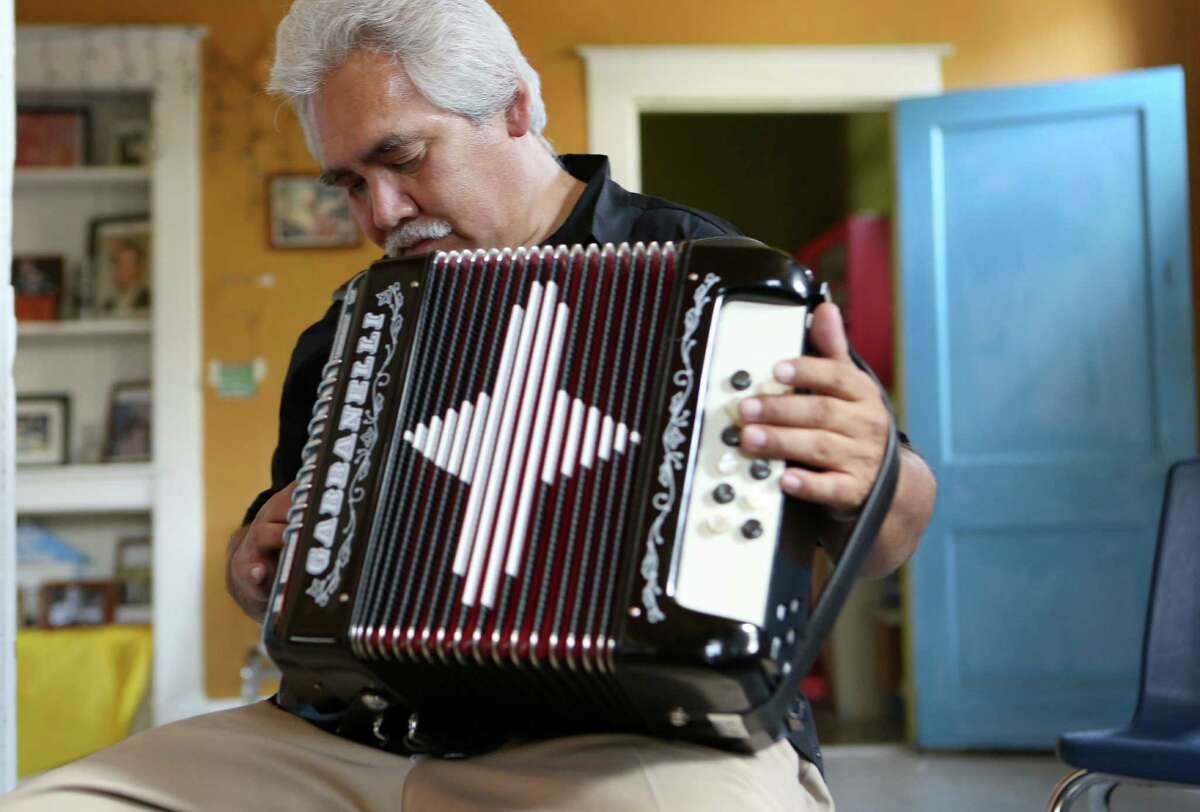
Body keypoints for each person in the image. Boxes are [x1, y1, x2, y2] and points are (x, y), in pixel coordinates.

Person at [1, 1, 936, 809]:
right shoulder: (350, 328)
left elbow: (887, 526)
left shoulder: (716, 279)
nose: (380, 212)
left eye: (401, 158)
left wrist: (876, 480)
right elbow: (300, 565)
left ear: (516, 107)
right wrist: (257, 566)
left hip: (644, 743)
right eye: (350, 183)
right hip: (359, 741)